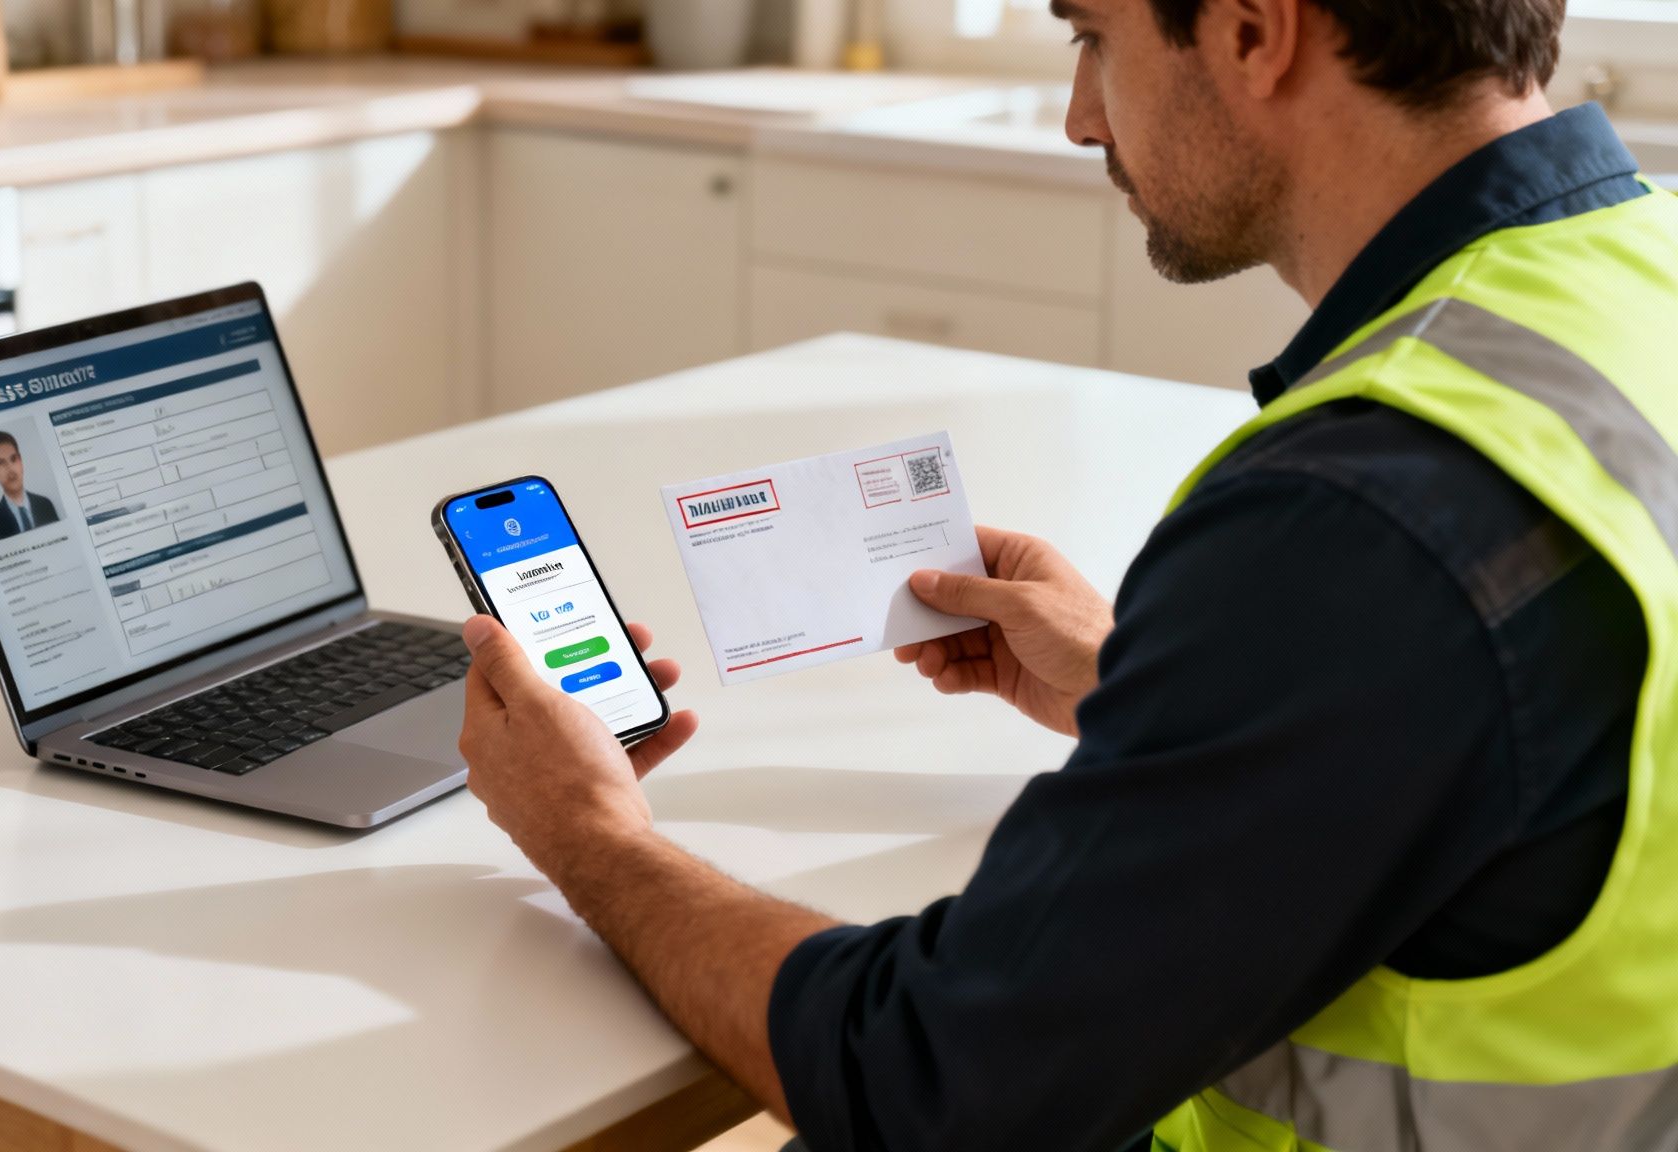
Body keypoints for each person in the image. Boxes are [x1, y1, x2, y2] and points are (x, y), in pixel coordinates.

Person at [454, 0, 1678, 1148]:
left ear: (1253, 31)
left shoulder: (1361, 510)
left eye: (1094, 38)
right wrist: (1143, 690)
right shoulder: (1635, 271)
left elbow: (933, 1082)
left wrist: (592, 838)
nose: (1079, 114)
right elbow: (1531, 735)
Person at [0, 430, 61, 543]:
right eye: (1, 463)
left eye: (13, 459)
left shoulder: (46, 505)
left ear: (21, 461)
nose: (10, 469)